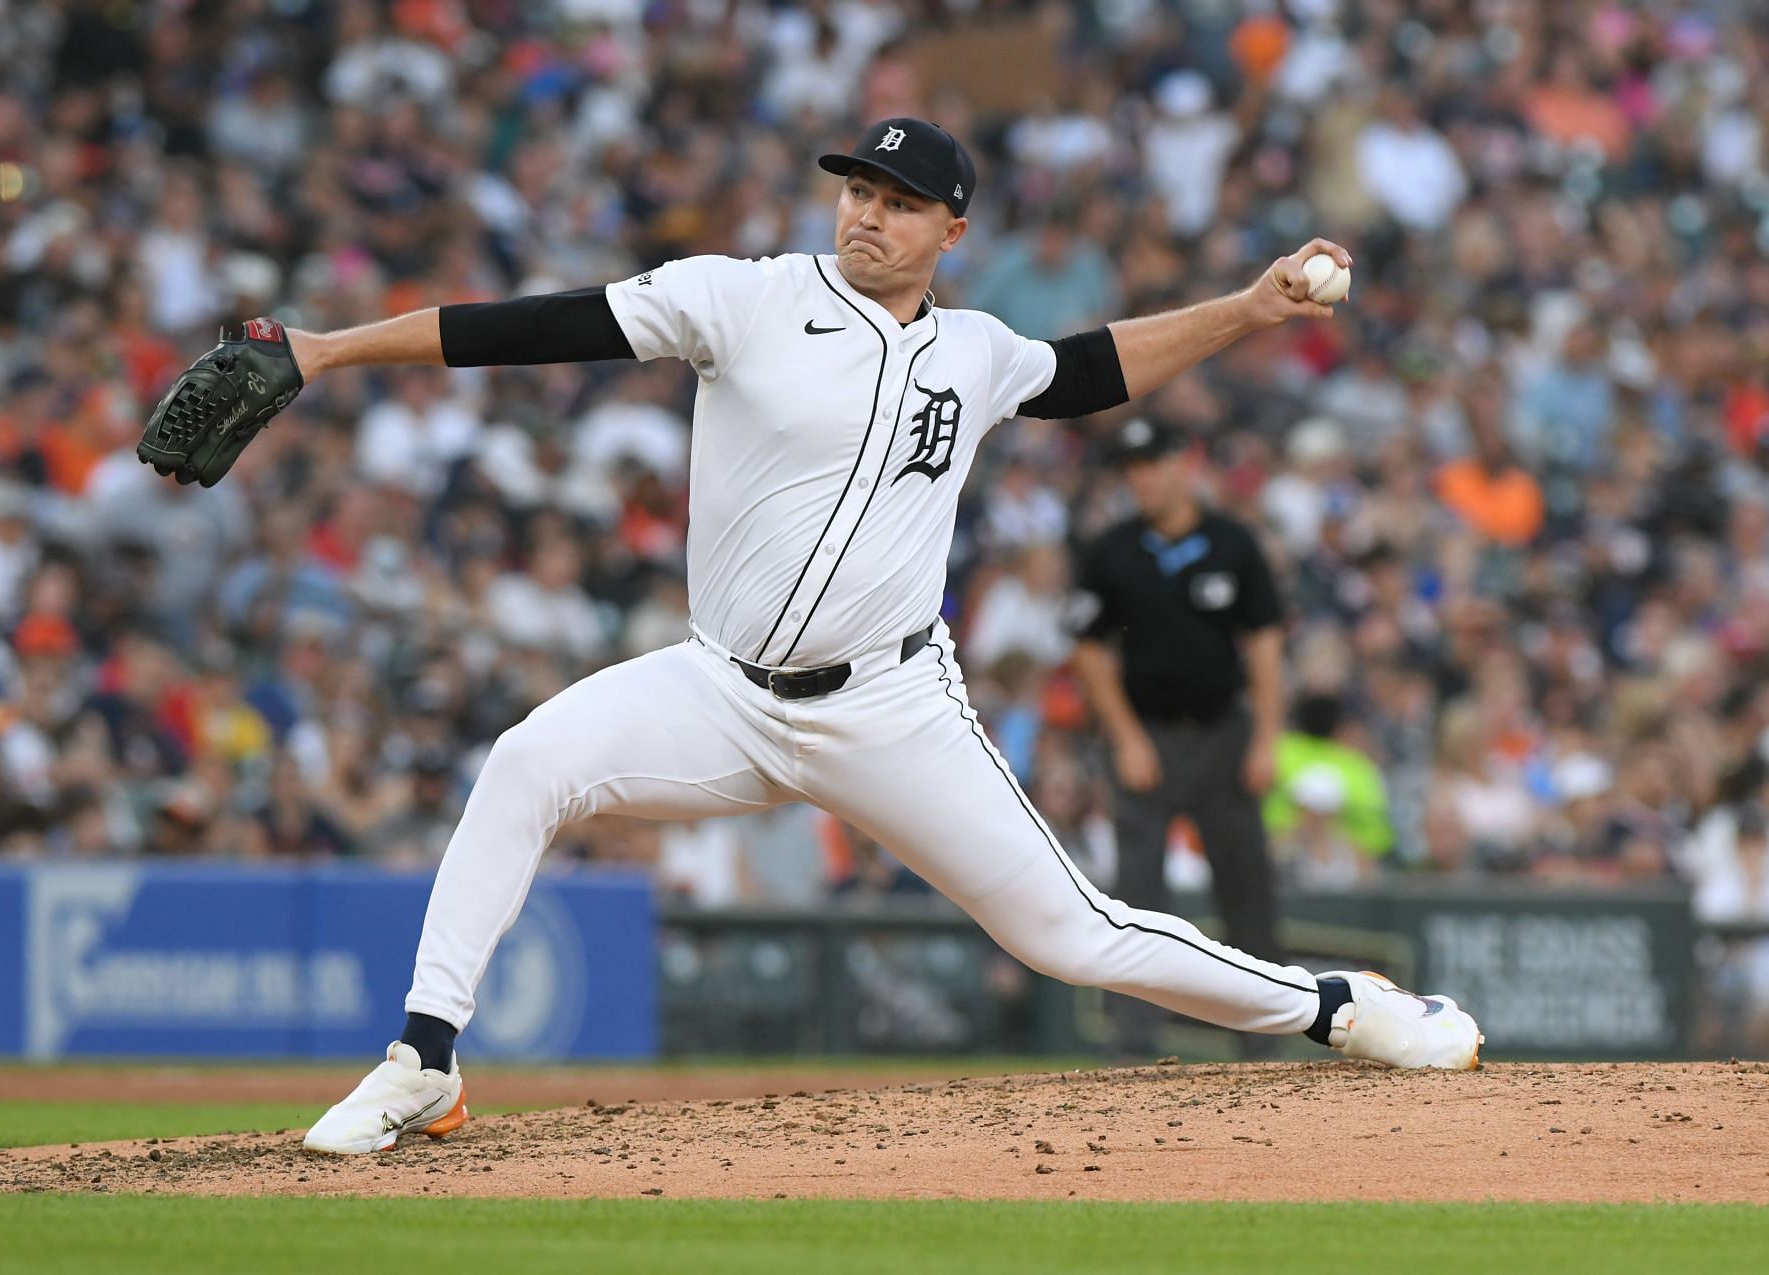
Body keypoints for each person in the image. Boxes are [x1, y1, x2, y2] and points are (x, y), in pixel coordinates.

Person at [142, 118, 1481, 1156]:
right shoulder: (743, 295)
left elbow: (1090, 370)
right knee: (529, 759)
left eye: (898, 201)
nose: (866, 213)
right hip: (721, 689)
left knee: (1075, 935)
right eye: (854, 188)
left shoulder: (975, 349)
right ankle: (425, 1056)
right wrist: (326, 349)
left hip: (893, 709)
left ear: (952, 226)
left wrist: (1248, 312)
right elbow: (531, 328)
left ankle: (1339, 1006)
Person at [1069, 418, 1290, 1057]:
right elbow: (1088, 650)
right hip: (1148, 737)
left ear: (1182, 465)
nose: (1140, 478)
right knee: (1138, 897)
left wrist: (1266, 738)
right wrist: (1125, 737)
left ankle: (1263, 1043)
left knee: (1246, 887)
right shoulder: (1111, 550)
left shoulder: (1232, 543)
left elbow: (1266, 645)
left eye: (1151, 464)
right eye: (1130, 468)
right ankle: (1134, 1044)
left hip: (1224, 733)